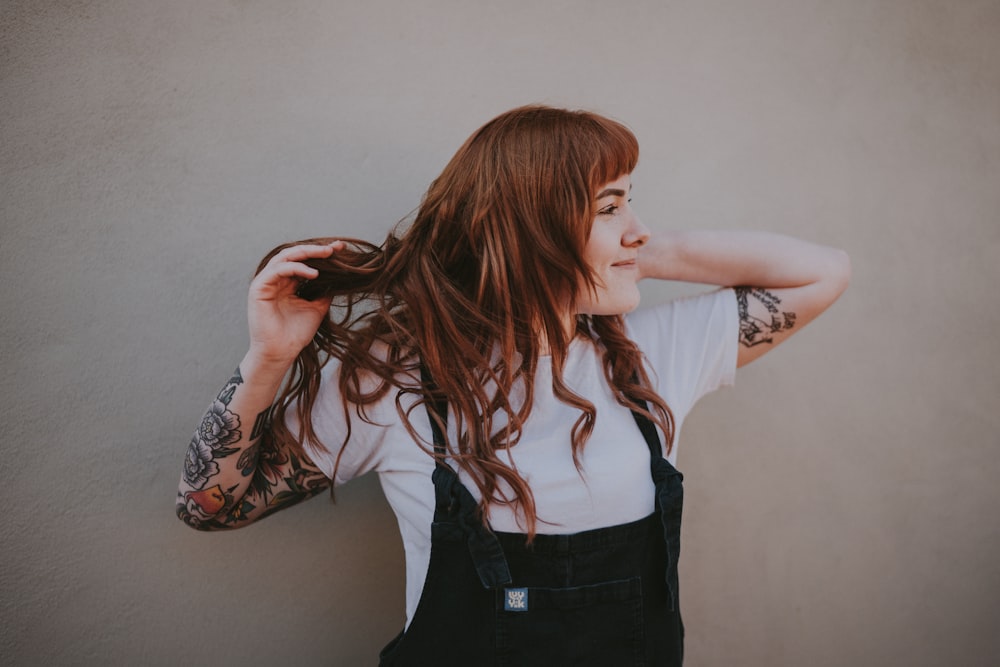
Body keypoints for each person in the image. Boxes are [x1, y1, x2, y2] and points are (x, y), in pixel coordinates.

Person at [176, 105, 850, 666]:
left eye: (629, 203)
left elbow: (825, 271)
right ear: (530, 232)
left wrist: (629, 248)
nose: (638, 227)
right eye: (610, 206)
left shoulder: (653, 355)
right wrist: (269, 359)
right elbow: (209, 505)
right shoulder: (394, 381)